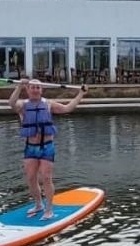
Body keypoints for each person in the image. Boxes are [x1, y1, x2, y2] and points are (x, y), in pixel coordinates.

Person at [9, 77, 87, 220]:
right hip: (30, 147)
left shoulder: (48, 104)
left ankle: (49, 209)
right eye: (32, 87)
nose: (35, 89)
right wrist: (19, 86)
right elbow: (11, 103)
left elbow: (68, 108)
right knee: (31, 178)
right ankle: (38, 205)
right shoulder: (22, 105)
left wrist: (81, 94)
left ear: (41, 90)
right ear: (28, 89)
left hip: (47, 147)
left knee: (46, 177)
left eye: (38, 87)